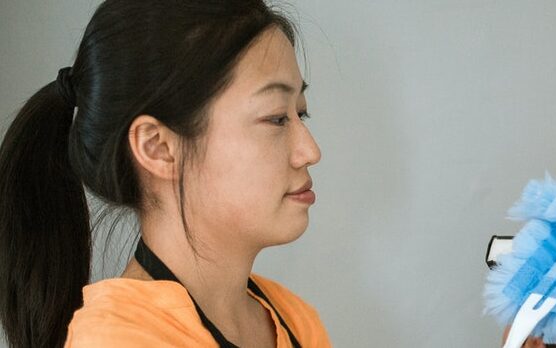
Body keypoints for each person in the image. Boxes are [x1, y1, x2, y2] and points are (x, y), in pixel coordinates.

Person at [0, 1, 330, 347]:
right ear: (157, 147)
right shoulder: (117, 340)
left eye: (301, 114)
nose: (310, 151)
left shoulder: (296, 320)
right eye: (277, 118)